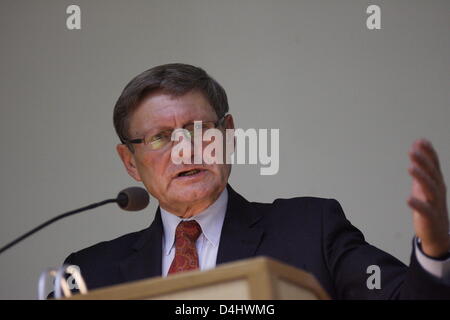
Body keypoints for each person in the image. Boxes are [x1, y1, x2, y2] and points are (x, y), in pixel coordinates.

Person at [60, 63, 450, 299]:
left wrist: (434, 250)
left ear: (228, 133)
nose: (185, 150)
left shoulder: (311, 230)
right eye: (160, 138)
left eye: (199, 129)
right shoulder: (91, 274)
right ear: (130, 161)